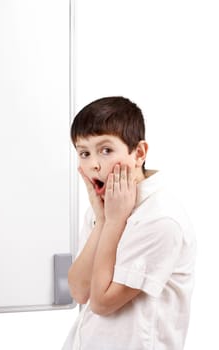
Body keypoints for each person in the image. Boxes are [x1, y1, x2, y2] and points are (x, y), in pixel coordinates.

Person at [62, 96, 196, 350]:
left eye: (106, 150)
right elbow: (79, 291)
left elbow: (102, 303)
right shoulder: (101, 210)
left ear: (139, 153)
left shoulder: (161, 219)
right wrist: (102, 220)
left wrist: (113, 222)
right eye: (84, 153)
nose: (94, 165)